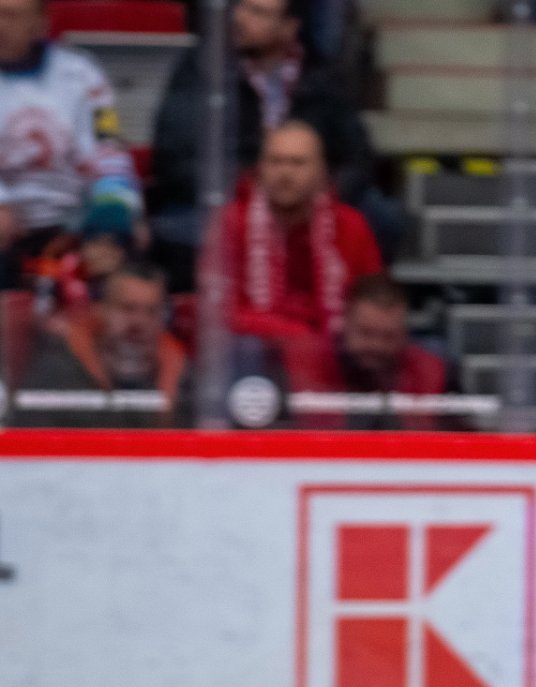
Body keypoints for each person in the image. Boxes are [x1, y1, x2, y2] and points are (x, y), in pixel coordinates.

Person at [149, 0, 400, 287]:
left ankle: (356, 308)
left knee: (384, 217)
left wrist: (323, 191)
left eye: (258, 13)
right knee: (180, 228)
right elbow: (174, 158)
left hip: (309, 198)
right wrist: (253, 187)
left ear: (289, 27)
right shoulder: (202, 66)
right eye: (241, 8)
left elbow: (357, 155)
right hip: (227, 196)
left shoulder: (321, 75)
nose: (240, 18)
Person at [0, 0, 144, 288]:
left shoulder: (81, 74)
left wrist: (109, 226)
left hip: (71, 224)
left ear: (40, 22)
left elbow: (110, 154)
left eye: (11, 16)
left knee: (124, 244)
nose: (0, 25)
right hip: (7, 224)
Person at [208, 120, 384, 344]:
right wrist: (299, 337)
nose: (285, 172)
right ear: (259, 168)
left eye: (297, 162)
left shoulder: (351, 226)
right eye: (275, 161)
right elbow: (219, 311)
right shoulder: (230, 223)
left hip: (336, 353)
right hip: (254, 351)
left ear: (321, 171)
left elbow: (374, 306)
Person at [12, 261, 190, 427]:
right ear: (102, 309)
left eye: (151, 311)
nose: (139, 322)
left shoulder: (179, 372)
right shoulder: (60, 366)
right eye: (128, 308)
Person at [280, 274, 452, 428]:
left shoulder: (429, 370)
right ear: (345, 323)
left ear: (404, 333)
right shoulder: (307, 361)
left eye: (388, 336)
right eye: (366, 333)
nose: (376, 345)